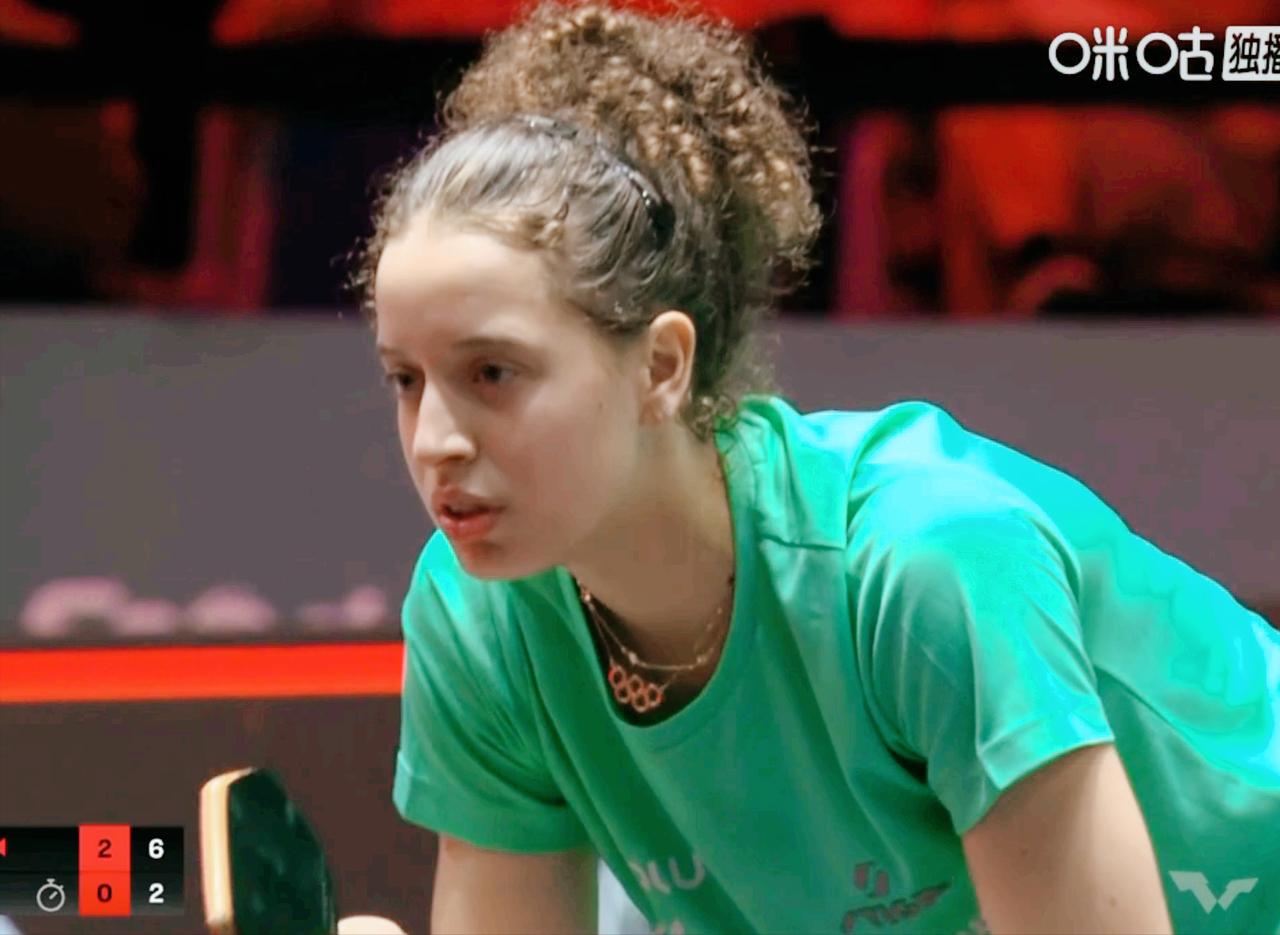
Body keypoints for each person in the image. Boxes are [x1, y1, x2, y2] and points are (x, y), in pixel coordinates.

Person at [351, 2, 1280, 932]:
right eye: (406, 379)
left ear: (661, 366)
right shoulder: (483, 618)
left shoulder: (927, 562)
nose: (435, 440)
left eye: (493, 373)